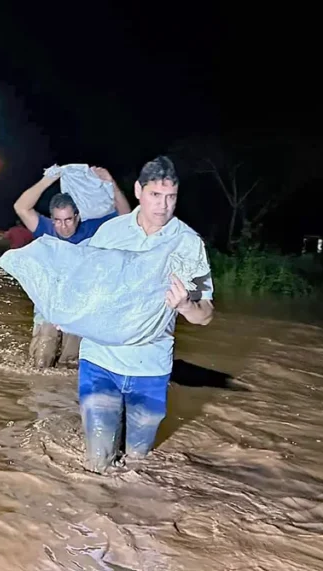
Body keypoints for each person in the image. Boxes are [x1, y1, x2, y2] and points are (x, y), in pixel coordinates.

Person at [77, 156, 214, 473]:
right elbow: (81, 283)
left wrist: (186, 305)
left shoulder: (188, 245)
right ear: (138, 191)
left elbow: (205, 314)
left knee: (136, 467)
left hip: (151, 368)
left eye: (171, 197)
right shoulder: (110, 234)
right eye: (155, 195)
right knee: (97, 462)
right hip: (100, 361)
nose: (163, 205)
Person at [14, 166, 132, 368]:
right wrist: (49, 178)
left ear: (77, 216)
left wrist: (111, 182)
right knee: (40, 361)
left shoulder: (93, 229)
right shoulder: (46, 229)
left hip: (79, 307)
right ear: (52, 219)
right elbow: (21, 207)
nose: (64, 226)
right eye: (58, 220)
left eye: (68, 219)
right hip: (48, 306)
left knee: (70, 365)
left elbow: (126, 216)